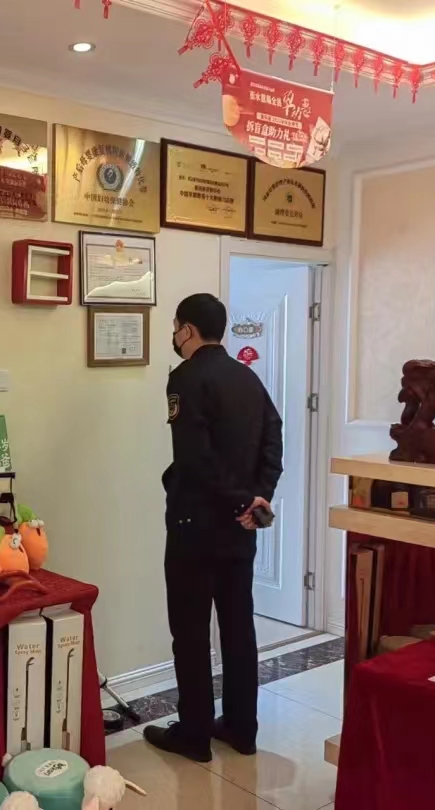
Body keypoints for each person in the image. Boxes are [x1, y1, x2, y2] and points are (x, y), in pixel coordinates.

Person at [143, 293, 284, 763]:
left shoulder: (185, 377)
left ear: (187, 329)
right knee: (239, 628)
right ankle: (242, 728)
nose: (175, 336)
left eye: (176, 328)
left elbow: (194, 457)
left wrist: (244, 499)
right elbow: (274, 436)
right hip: (240, 528)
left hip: (195, 526)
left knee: (191, 631)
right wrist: (257, 498)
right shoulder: (247, 377)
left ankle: (195, 733)